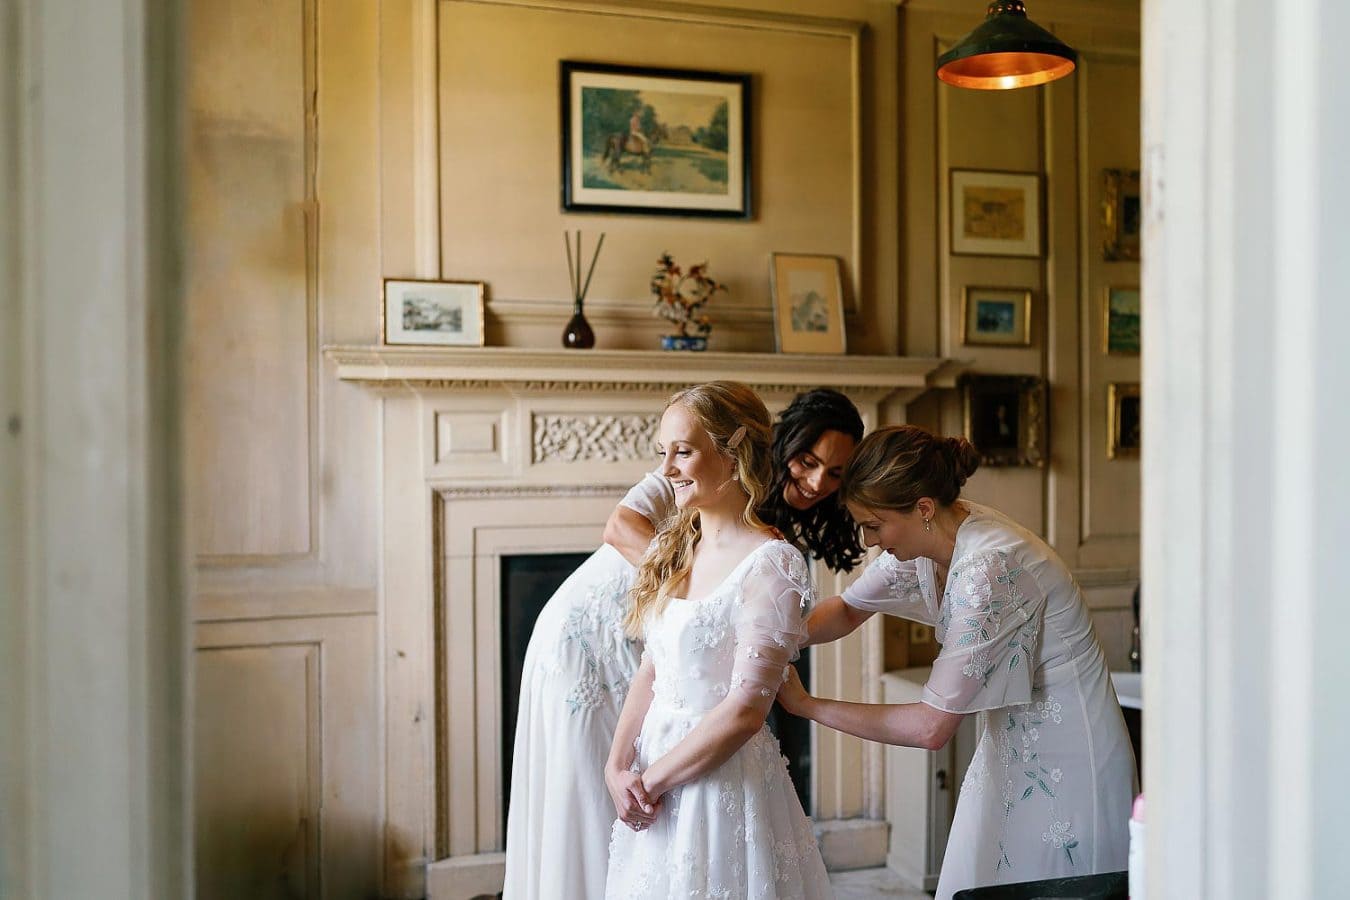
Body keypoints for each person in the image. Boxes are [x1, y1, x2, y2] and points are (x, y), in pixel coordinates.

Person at [503, 388, 863, 900]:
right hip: (597, 637)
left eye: (835, 474)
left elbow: (748, 685)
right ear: (781, 447)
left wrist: (760, 648)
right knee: (587, 798)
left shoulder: (768, 550)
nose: (816, 482)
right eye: (808, 461)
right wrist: (683, 585)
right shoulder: (692, 485)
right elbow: (620, 526)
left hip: (680, 656)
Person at [777, 425, 1135, 900]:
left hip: (1069, 763)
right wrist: (765, 639)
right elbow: (847, 610)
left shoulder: (990, 566)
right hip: (1006, 750)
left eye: (874, 525)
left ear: (922, 508)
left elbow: (931, 727)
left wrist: (807, 706)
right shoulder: (928, 538)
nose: (867, 542)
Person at [604, 381, 831, 899]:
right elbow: (653, 667)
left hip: (719, 782)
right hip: (651, 777)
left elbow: (747, 710)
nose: (667, 470)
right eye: (664, 453)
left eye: (683, 452)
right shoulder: (673, 547)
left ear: (734, 453)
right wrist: (618, 767)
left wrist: (650, 782)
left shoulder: (772, 564)